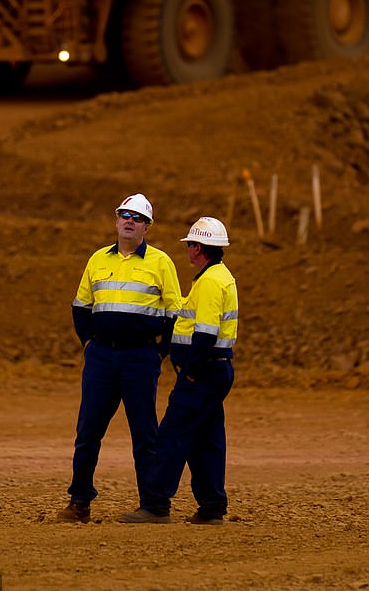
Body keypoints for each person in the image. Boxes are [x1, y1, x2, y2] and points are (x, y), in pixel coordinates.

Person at [58, 193, 182, 523]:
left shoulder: (161, 263)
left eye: (137, 218)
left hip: (140, 357)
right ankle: (79, 502)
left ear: (147, 227)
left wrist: (160, 351)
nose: (129, 220)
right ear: (116, 221)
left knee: (144, 434)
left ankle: (155, 506)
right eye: (124, 215)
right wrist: (88, 343)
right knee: (88, 432)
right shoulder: (98, 259)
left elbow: (175, 313)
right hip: (101, 357)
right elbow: (80, 307)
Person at [120, 216, 238, 525]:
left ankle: (156, 504)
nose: (187, 251)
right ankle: (212, 507)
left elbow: (205, 333)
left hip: (204, 372)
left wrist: (191, 370)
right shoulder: (218, 276)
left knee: (171, 436)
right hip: (215, 371)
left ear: (198, 248)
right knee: (207, 439)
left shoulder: (211, 282)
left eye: (190, 246)